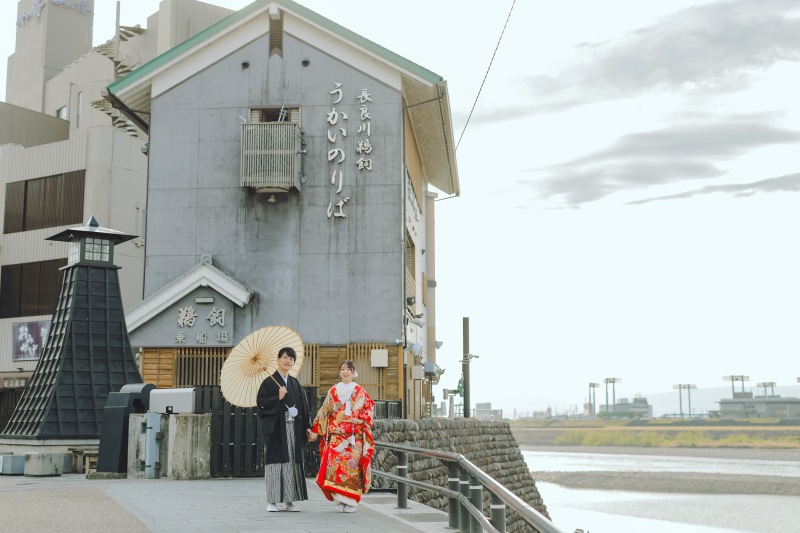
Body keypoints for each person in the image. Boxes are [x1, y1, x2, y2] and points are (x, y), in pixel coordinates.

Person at [309, 360, 375, 513]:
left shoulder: (360, 390)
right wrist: (315, 429)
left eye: (349, 369)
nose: (345, 372)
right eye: (343, 369)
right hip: (337, 436)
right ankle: (339, 500)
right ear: (339, 372)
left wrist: (359, 419)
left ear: (354, 372)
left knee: (352, 469)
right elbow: (324, 411)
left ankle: (351, 502)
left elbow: (369, 407)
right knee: (335, 468)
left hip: (354, 437)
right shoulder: (333, 390)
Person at [256, 347, 314, 512]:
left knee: (291, 463)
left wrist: (307, 427)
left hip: (294, 427)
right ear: (278, 359)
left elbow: (304, 408)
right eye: (285, 357)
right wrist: (277, 397)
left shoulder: (295, 383)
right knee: (276, 463)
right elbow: (261, 404)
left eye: (291, 359)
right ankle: (272, 501)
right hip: (277, 429)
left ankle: (290, 499)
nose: (288, 361)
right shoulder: (269, 382)